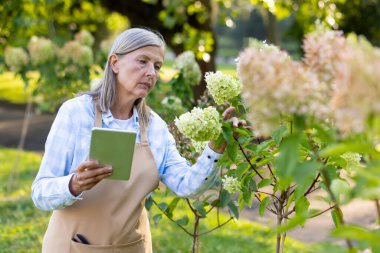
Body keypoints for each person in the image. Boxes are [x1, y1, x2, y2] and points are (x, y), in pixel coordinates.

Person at [31, 27, 243, 253]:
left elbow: (187, 185)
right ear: (115, 63)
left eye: (157, 66)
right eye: (142, 61)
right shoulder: (75, 113)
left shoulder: (155, 127)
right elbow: (40, 193)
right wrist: (74, 184)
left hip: (131, 247)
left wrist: (215, 149)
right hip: (72, 246)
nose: (151, 72)